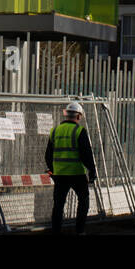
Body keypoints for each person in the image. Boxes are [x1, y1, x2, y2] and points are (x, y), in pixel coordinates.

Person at [45, 100, 97, 234]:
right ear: (79, 116)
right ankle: (79, 230)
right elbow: (87, 154)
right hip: (77, 174)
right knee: (84, 200)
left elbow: (48, 155)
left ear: (66, 114)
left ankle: (56, 231)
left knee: (58, 205)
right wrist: (92, 171)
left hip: (60, 175)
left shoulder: (55, 131)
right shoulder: (79, 131)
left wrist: (53, 170)